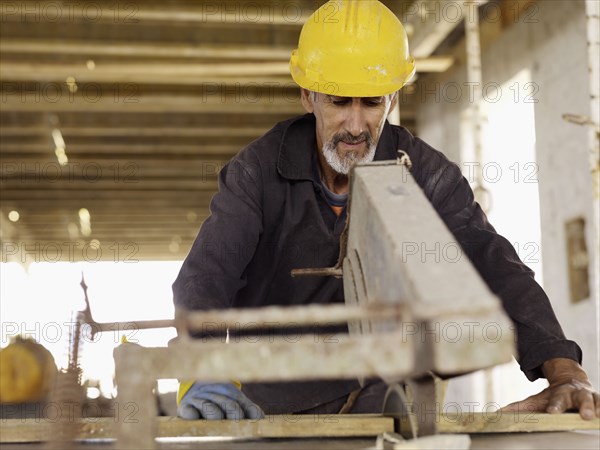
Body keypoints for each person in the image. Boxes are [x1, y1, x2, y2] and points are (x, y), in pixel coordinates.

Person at [173, 0, 599, 421]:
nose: (356, 126)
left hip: (383, 403)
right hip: (267, 407)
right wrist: (203, 365)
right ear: (308, 96)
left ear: (392, 99)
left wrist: (564, 369)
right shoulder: (257, 171)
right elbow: (207, 276)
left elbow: (492, 260)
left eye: (372, 103)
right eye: (340, 103)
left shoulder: (426, 172)